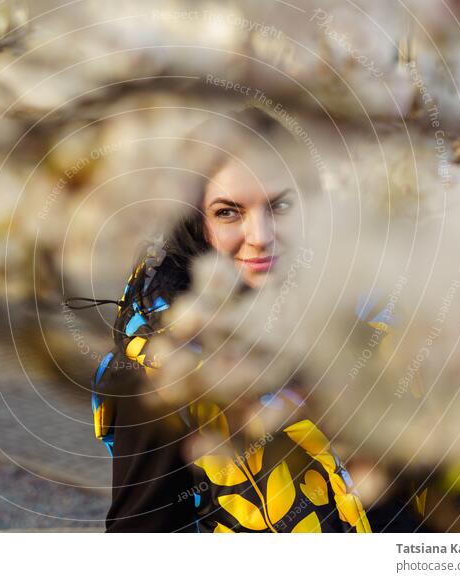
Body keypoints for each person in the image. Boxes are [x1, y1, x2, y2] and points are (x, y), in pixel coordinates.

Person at [75, 105, 372, 533]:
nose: (261, 237)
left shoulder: (376, 315)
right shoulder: (163, 367)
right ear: (195, 222)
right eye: (228, 212)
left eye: (281, 205)